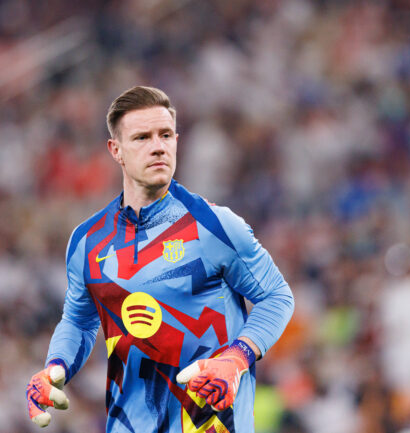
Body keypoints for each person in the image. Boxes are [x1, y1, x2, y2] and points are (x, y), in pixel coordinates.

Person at [26, 86, 295, 432]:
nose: (158, 146)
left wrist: (236, 357)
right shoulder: (87, 241)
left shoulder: (215, 226)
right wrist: (55, 366)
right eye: (141, 137)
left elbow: (277, 296)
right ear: (116, 150)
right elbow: (79, 321)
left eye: (165, 135)